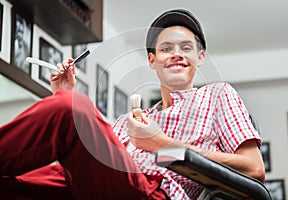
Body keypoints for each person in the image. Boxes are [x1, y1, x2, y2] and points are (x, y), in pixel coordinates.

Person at [0, 9, 265, 200]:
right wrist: (64, 95)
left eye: (186, 48)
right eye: (166, 48)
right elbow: (89, 161)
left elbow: (254, 170)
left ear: (201, 57)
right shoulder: (133, 120)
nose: (177, 54)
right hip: (97, 183)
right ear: (152, 60)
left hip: (154, 191)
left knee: (72, 108)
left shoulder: (217, 95)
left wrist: (163, 144)